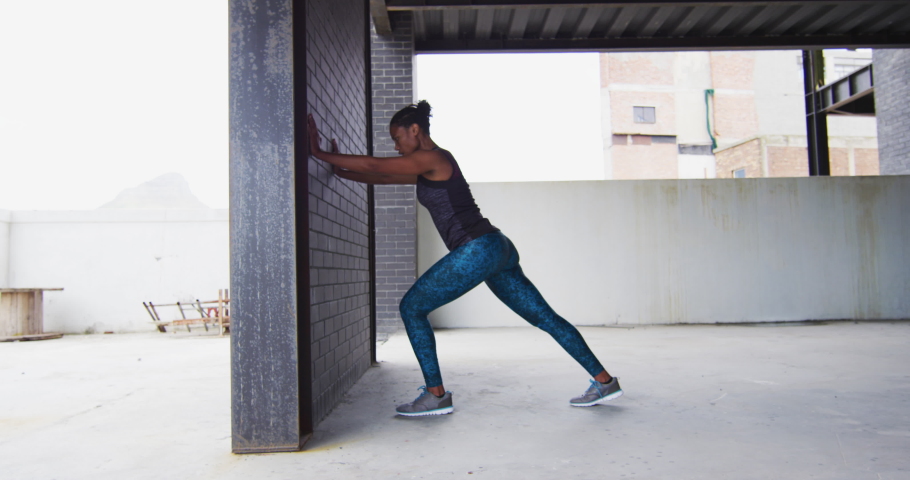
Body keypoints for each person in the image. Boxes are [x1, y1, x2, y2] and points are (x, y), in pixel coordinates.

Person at [307, 101, 622, 416]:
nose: (396, 145)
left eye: (397, 137)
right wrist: (340, 169)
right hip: (497, 247)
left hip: (478, 248)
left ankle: (436, 395)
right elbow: (383, 177)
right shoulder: (428, 165)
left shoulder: (433, 158)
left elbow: (377, 166)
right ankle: (604, 381)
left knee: (412, 308)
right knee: (545, 318)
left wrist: (320, 153)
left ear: (414, 130)